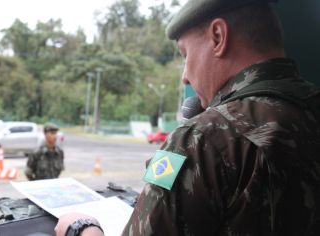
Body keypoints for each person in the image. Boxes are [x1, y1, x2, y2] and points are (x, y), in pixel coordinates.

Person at [55, 0, 320, 235]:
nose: (185, 76)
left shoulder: (205, 139)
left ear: (218, 37)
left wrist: (83, 230)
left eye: (185, 54)